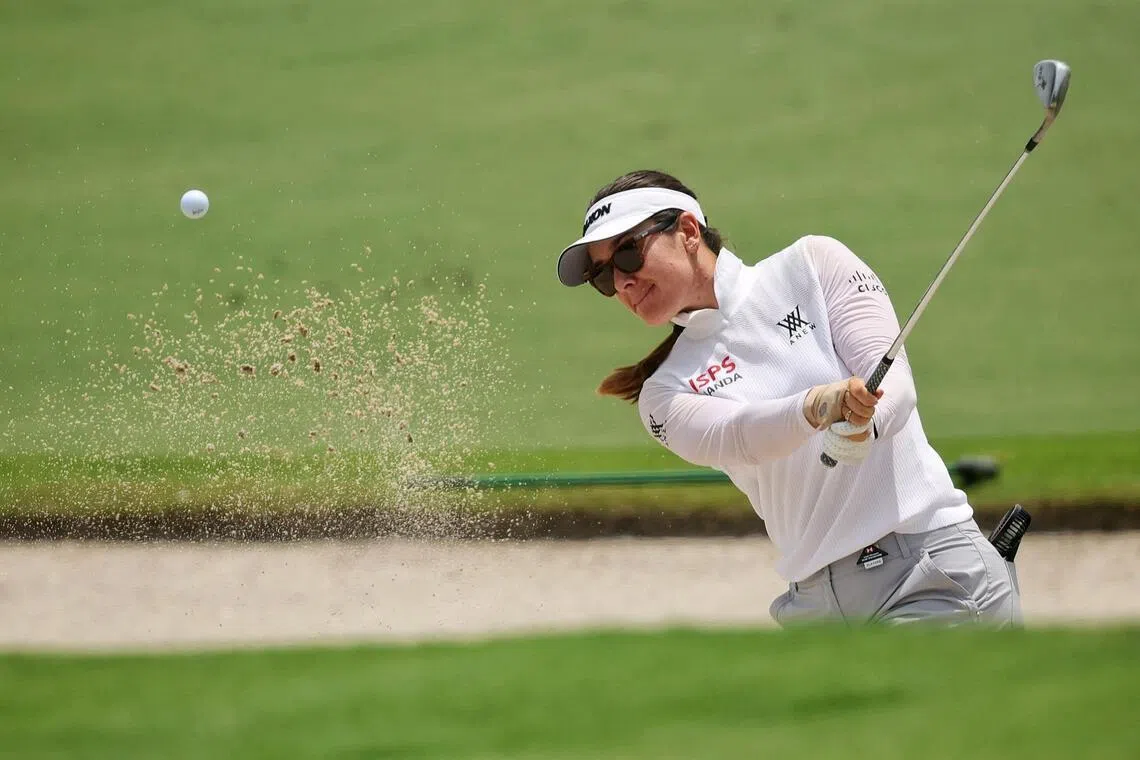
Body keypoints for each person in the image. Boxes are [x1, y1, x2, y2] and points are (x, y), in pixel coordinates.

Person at [555, 169, 1021, 627]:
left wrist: (864, 423)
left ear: (689, 231)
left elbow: (895, 384)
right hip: (814, 606)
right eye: (602, 276)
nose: (620, 283)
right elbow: (739, 436)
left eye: (629, 256)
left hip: (926, 574)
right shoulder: (662, 391)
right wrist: (820, 405)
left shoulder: (813, 265)